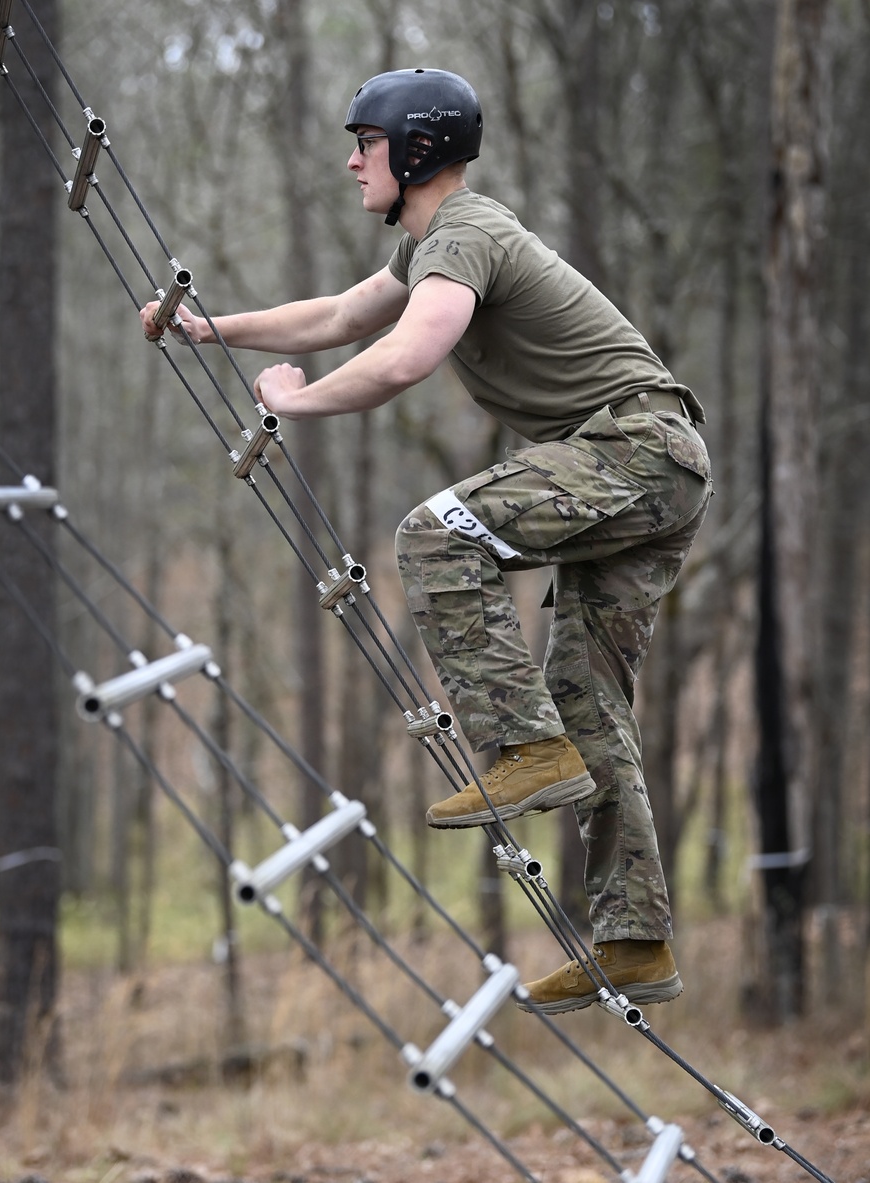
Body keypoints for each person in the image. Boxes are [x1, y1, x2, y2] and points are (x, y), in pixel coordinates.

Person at [140, 68, 712, 1014]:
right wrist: (205, 330)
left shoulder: (466, 237)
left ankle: (522, 750)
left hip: (638, 448)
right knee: (587, 698)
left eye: (361, 144)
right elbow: (332, 318)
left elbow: (407, 354)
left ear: (411, 150)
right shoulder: (434, 249)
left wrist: (296, 401)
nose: (348, 161)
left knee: (436, 535)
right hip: (656, 465)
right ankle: (635, 938)